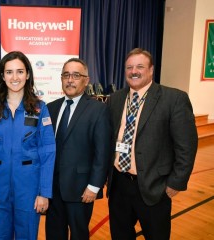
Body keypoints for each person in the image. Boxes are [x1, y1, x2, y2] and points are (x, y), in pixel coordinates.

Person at [107, 48, 198, 239]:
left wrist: (176, 182)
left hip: (154, 186)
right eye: (129, 67)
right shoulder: (115, 99)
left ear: (151, 70)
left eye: (140, 66)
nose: (134, 71)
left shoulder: (174, 99)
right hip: (119, 184)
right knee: (120, 234)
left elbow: (186, 146)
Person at [0, 51, 56, 239]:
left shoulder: (39, 108)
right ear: (2, 76)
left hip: (29, 189)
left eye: (20, 72)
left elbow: (48, 151)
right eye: (9, 72)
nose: (15, 77)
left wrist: (44, 192)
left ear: (27, 75)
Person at [45, 58, 112, 240]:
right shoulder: (50, 108)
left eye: (76, 75)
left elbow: (102, 152)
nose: (70, 80)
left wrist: (94, 186)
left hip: (81, 189)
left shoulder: (98, 110)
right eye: (66, 75)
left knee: (79, 235)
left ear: (86, 80)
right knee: (53, 234)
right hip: (52, 189)